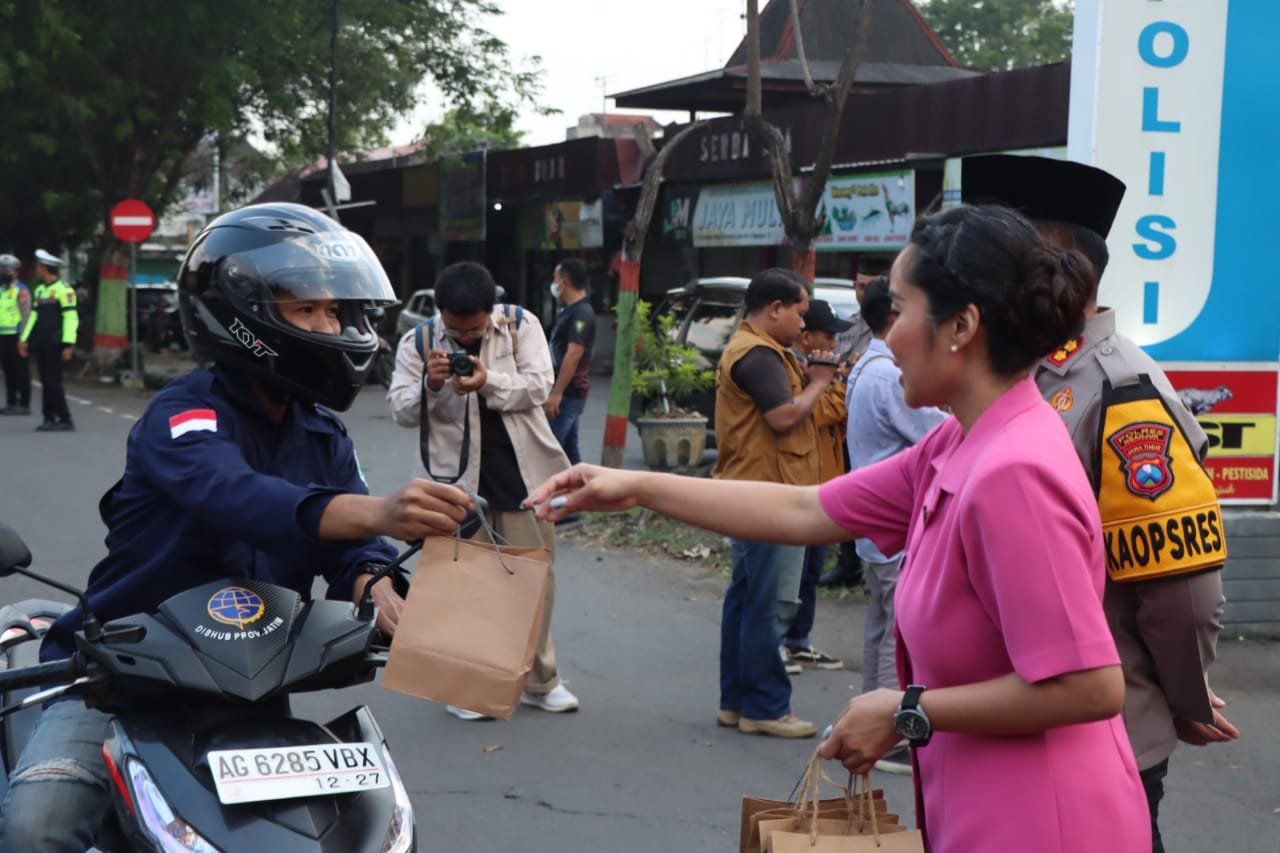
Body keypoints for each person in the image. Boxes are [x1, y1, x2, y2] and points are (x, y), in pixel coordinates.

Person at [528, 205, 1151, 851]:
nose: (883, 339)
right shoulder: (959, 444)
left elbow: (1088, 684)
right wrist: (634, 486)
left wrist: (909, 708)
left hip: (1046, 822)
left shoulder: (1013, 471)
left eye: (899, 310)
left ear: (961, 325)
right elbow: (808, 509)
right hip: (986, 804)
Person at [0, 202, 476, 851]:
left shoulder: (322, 432)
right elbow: (235, 494)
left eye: (333, 310)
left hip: (250, 688)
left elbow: (350, 544)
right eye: (304, 308)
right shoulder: (183, 415)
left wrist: (373, 579)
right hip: (118, 686)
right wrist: (382, 512)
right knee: (36, 829)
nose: (327, 324)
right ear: (242, 314)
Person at [963, 153, 1239, 852]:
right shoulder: (1007, 371)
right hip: (996, 718)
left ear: (1049, 261)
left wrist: (1184, 696)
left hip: (1095, 731)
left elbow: (1179, 592)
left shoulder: (1122, 390)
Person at [387, 260, 579, 720]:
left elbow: (539, 386)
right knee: (463, 585)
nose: (466, 339)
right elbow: (400, 409)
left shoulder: (519, 325)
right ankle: (469, 685)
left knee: (534, 582)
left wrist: (486, 379)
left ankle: (539, 680)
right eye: (457, 331)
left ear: (490, 312)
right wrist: (432, 386)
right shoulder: (419, 341)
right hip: (453, 482)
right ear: (441, 314)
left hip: (522, 473)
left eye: (474, 330)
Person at [705, 267, 839, 739]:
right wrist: (820, 381)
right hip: (764, 494)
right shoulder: (758, 353)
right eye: (800, 313)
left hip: (755, 490)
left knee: (746, 599)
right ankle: (765, 706)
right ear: (776, 309)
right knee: (763, 603)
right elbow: (783, 417)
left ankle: (736, 702)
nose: (804, 325)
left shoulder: (765, 351)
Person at [842, 275, 948, 774]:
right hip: (897, 520)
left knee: (882, 623)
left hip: (873, 521)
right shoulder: (889, 374)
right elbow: (941, 432)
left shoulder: (868, 365)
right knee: (896, 634)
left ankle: (867, 714)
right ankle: (889, 731)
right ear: (894, 317)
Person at [781, 299, 849, 675]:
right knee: (790, 573)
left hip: (826, 485)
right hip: (801, 487)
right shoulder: (800, 372)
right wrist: (834, 386)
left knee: (810, 572)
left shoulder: (819, 373)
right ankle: (781, 641)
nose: (834, 345)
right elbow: (821, 412)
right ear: (806, 338)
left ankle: (798, 641)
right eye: (827, 336)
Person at [18, 249, 78, 431]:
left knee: (54, 382)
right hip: (42, 343)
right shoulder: (41, 290)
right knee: (45, 381)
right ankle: (49, 417)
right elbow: (33, 317)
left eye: (39, 266)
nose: (36, 269)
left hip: (56, 343)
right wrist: (24, 339)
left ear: (46, 268)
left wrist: (68, 344)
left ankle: (66, 419)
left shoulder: (64, 291)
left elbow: (71, 318)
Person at [544, 257, 595, 467]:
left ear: (564, 281)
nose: (554, 283)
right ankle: (585, 492)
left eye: (555, 277)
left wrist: (557, 393)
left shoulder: (581, 313)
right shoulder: (571, 311)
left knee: (549, 448)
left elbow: (573, 355)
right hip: (569, 392)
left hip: (569, 392)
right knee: (569, 450)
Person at [0, 253, 32, 415]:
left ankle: (24, 403)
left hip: (18, 337)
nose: (4, 273)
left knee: (21, 371)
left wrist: (23, 338)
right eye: (2, 270)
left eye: (7, 270)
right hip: (3, 336)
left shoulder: (22, 291)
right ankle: (11, 402)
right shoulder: (1, 290)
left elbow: (26, 316)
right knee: (8, 370)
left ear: (16, 272)